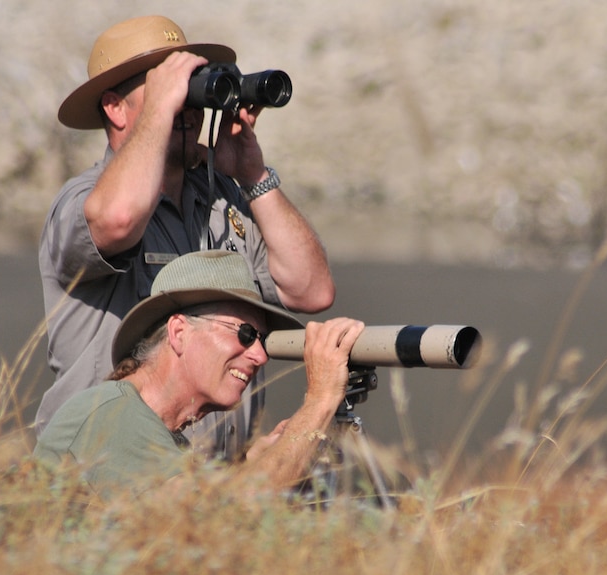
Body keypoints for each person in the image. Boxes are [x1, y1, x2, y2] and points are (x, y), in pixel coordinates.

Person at [36, 15, 336, 461]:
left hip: (208, 486)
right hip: (110, 472)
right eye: (167, 88)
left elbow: (310, 290)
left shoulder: (223, 203)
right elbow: (118, 219)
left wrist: (253, 173)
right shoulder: (83, 201)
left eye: (193, 90)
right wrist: (162, 108)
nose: (187, 109)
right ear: (115, 108)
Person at [34, 251, 363, 496]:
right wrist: (320, 400)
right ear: (178, 332)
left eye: (262, 341)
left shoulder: (153, 429)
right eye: (245, 334)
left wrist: (255, 462)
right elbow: (213, 521)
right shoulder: (112, 415)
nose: (260, 356)